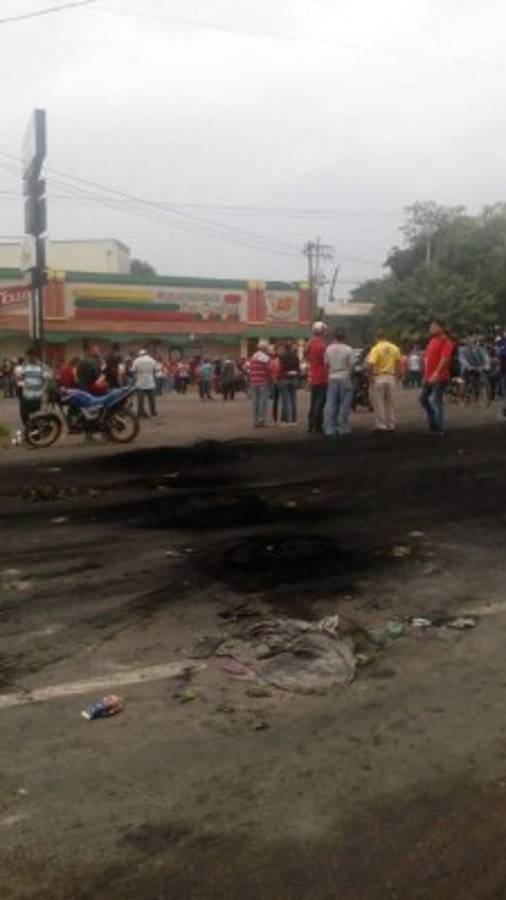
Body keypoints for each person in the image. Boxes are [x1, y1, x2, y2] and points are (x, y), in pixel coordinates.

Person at [420, 319, 454, 435]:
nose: (431, 329)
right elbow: (428, 360)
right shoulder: (432, 341)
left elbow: (444, 359)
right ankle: (434, 423)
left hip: (440, 377)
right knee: (423, 399)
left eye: (433, 326)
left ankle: (439, 427)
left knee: (435, 400)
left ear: (441, 328)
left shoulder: (446, 342)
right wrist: (426, 375)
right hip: (429, 377)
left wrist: (436, 373)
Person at [367, 331, 401, 431]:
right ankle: (391, 423)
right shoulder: (394, 347)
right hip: (391, 376)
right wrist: (398, 375)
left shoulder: (375, 348)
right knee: (390, 402)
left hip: (379, 377)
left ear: (376, 338)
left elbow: (371, 364)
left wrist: (370, 376)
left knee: (379, 402)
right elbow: (398, 362)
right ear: (386, 337)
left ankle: (381, 424)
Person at [323, 328, 354, 437]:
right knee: (344, 404)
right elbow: (351, 366)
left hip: (332, 376)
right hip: (345, 376)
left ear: (334, 337)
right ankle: (343, 427)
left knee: (331, 404)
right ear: (344, 338)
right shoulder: (348, 349)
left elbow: (326, 364)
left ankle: (330, 428)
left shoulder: (329, 349)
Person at [306, 321, 327, 433]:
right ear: (322, 332)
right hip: (322, 376)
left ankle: (310, 424)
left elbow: (307, 357)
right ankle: (317, 424)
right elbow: (326, 361)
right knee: (320, 402)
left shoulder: (310, 344)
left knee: (313, 401)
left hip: (313, 376)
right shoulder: (322, 345)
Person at [19, 347, 48, 426]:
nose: (30, 358)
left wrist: (43, 391)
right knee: (24, 414)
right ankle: (28, 428)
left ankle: (34, 432)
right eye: (28, 356)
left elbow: (45, 380)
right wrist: (21, 384)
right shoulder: (24, 365)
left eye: (32, 356)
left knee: (35, 416)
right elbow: (20, 378)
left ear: (35, 356)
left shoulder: (42, 366)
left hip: (36, 395)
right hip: (26, 395)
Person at [248, 339, 271, 427]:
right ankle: (262, 419)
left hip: (253, 382)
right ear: (264, 348)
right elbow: (269, 370)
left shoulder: (253, 356)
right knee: (263, 401)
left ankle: (255, 420)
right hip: (263, 382)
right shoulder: (265, 358)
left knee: (255, 401)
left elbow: (250, 369)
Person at [279, 341, 300, 425]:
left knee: (285, 401)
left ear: (285, 348)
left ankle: (285, 420)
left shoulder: (282, 356)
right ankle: (294, 420)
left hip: (285, 377)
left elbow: (281, 367)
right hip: (294, 378)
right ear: (291, 348)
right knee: (293, 400)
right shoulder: (296, 356)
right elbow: (298, 368)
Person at [133, 349, 157, 418]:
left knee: (140, 400)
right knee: (151, 399)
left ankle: (139, 413)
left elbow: (134, 371)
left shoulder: (136, 360)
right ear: (146, 353)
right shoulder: (152, 360)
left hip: (140, 382)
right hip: (150, 381)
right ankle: (153, 412)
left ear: (140, 354)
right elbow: (154, 370)